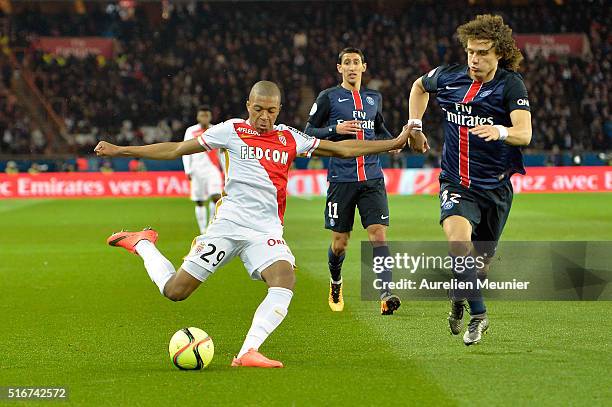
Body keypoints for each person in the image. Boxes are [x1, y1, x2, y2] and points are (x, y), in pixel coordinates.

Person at [95, 81, 414, 368]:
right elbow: (177, 149)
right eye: (258, 109)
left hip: (265, 232)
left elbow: (343, 148)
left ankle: (248, 351)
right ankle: (143, 244)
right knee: (175, 291)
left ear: (279, 110)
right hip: (228, 227)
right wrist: (121, 149)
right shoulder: (230, 130)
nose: (264, 116)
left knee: (284, 279)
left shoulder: (289, 137)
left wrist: (395, 140)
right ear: (248, 105)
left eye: (271, 110)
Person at [408, 15, 532, 345]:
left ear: (499, 54)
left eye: (483, 53)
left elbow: (525, 132)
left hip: (495, 188)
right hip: (456, 182)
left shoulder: (510, 85)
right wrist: (415, 125)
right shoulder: (449, 77)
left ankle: (459, 295)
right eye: (470, 52)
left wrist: (501, 130)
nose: (474, 59)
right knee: (458, 245)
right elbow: (419, 86)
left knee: (480, 266)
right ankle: (479, 316)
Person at [304, 47, 427, 315]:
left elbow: (378, 129)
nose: (351, 67)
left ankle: (385, 293)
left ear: (364, 67)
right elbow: (307, 132)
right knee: (340, 243)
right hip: (341, 179)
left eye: (355, 62)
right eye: (346, 62)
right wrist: (334, 130)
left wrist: (393, 141)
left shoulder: (374, 99)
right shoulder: (328, 97)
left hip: (372, 177)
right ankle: (336, 281)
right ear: (339, 68)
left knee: (379, 236)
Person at [182, 106, 224, 233]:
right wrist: (188, 169)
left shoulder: (216, 129)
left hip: (213, 169)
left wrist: (224, 168)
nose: (204, 118)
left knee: (216, 197)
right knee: (200, 201)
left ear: (210, 117)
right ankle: (202, 229)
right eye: (202, 115)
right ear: (198, 117)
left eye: (206, 115)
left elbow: (221, 151)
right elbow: (184, 150)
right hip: (197, 169)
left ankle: (211, 225)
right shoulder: (191, 131)